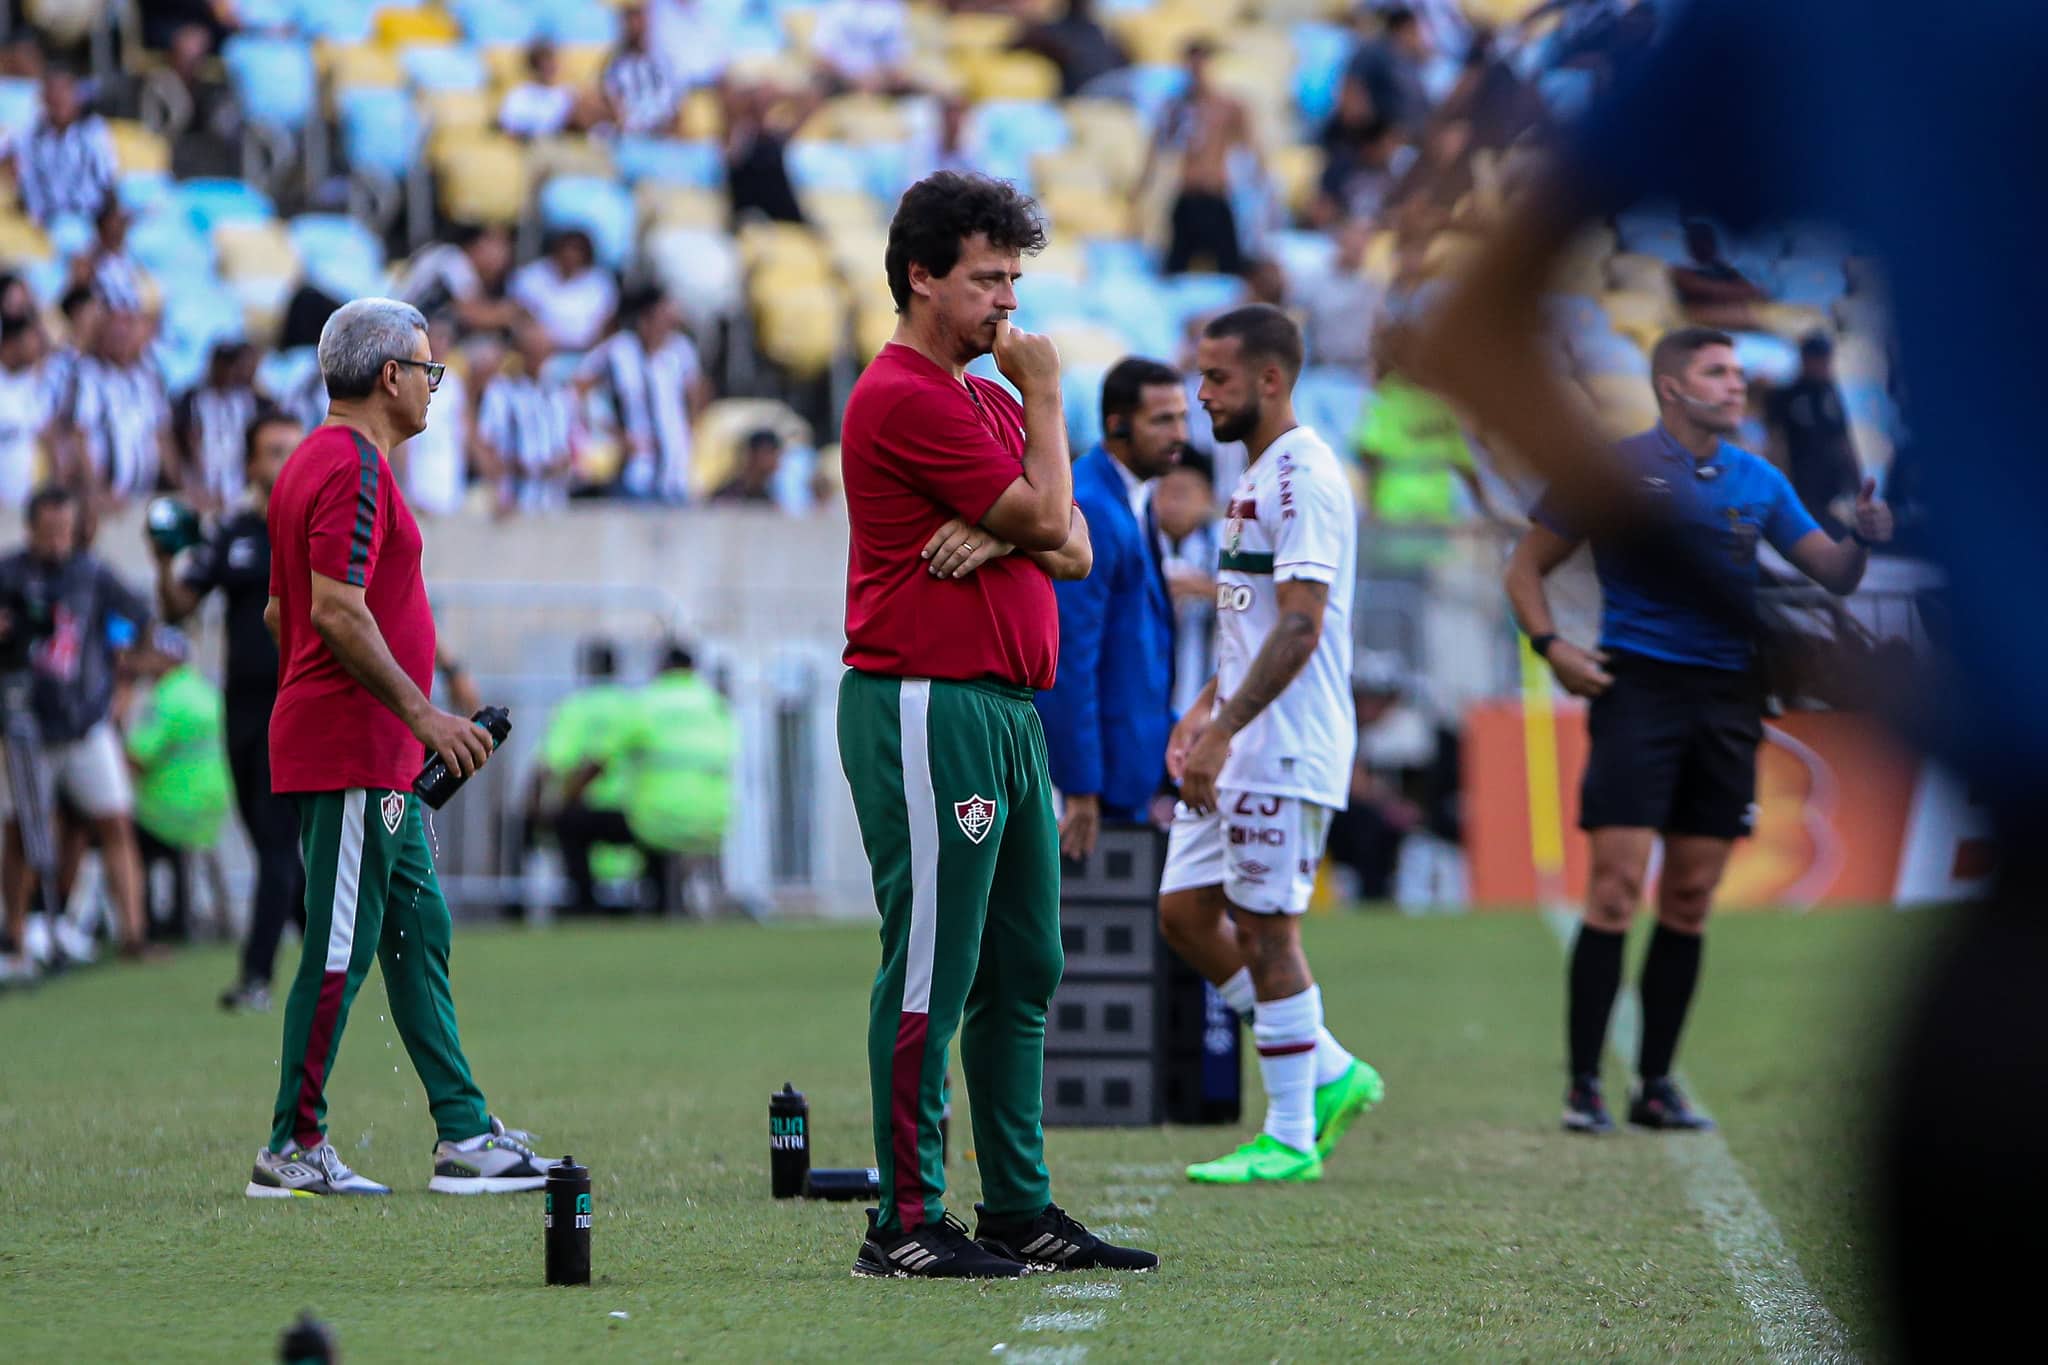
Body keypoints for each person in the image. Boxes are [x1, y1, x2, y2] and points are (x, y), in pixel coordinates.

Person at [837, 171, 1149, 1278]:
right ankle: (905, 1220)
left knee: (1025, 964)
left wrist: (1014, 531)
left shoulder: (982, 395)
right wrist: (1052, 406)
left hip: (1004, 709)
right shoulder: (910, 394)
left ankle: (1016, 1207)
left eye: (1014, 279)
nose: (1008, 306)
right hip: (930, 699)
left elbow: (1073, 545)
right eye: (986, 280)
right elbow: (1049, 517)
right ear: (920, 278)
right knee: (932, 961)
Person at [1500, 327, 1892, 1135]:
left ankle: (1654, 1084)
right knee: (1612, 890)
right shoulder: (1611, 471)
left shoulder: (1759, 478)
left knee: (1688, 897)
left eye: (1739, 372)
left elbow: (1834, 573)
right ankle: (1582, 1084)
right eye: (1718, 372)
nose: (1736, 385)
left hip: (1727, 699)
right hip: (1637, 689)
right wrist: (1554, 648)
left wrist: (1862, 536)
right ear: (1672, 388)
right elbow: (1524, 566)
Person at [247, 297, 553, 1199]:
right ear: (390, 376)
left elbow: (281, 613)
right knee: (339, 942)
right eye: (429, 371)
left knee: (421, 931)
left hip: (371, 748)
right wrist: (421, 715)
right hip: (358, 747)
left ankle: (463, 1133)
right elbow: (334, 610)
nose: (433, 388)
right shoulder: (353, 468)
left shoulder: (315, 460)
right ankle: (292, 1145)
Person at [1155, 305, 1382, 1185]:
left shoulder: (1305, 477)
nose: (1199, 394)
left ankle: (1290, 1133)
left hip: (1281, 746)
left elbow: (1299, 629)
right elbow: (1253, 621)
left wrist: (1225, 728)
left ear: (1271, 379)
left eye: (1215, 378)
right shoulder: (1256, 474)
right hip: (1241, 734)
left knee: (1266, 927)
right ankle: (1325, 1065)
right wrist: (1206, 702)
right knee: (1183, 912)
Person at [156, 406, 308, 1012]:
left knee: (275, 840)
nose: (287, 460)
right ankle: (339, 953)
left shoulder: (314, 527)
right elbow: (178, 607)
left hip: (292, 705)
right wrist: (162, 558)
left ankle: (256, 977)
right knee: (266, 840)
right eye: (274, 450)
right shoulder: (236, 531)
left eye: (294, 449)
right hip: (239, 707)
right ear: (249, 462)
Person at [0, 485, 156, 973]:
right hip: (28, 727)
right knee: (24, 831)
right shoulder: (10, 573)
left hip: (85, 723)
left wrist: (121, 673)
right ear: (31, 529)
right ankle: (17, 938)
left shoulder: (92, 573)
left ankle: (134, 934)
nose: (58, 540)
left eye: (64, 530)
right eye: (49, 531)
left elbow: (137, 616)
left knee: (114, 821)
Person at [1034, 357, 1185, 860]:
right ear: (1118, 422)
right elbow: (1071, 656)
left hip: (1127, 771)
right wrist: (1080, 785)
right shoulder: (1094, 504)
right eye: (1162, 420)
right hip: (1098, 784)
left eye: (1183, 418)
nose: (1179, 434)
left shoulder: (1130, 498)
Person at [120, 623, 229, 943]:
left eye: (149, 653)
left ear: (166, 658)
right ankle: (181, 916)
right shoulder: (206, 692)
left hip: (168, 813)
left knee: (119, 840)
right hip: (212, 811)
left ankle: (145, 925)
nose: (142, 660)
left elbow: (137, 758)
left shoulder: (165, 697)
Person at [612, 641, 736, 915]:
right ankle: (683, 902)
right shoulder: (715, 703)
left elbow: (607, 755)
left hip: (657, 822)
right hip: (712, 819)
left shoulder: (648, 700)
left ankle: (590, 909)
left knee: (580, 822)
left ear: (662, 667)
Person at [536, 637, 644, 915]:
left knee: (566, 825)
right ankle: (650, 903)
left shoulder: (575, 706)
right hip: (633, 811)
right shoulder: (633, 706)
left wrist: (546, 803)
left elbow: (553, 762)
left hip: (588, 809)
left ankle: (584, 903)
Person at [576, 286, 708, 502]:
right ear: (644, 318)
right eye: (662, 316)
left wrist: (689, 430)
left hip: (675, 472)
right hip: (635, 473)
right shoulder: (618, 351)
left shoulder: (680, 350)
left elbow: (696, 392)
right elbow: (578, 388)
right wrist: (609, 432)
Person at [1141, 41, 1256, 277]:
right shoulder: (1175, 108)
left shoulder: (1229, 107)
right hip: (1188, 194)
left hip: (1216, 193)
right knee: (1176, 269)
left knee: (1230, 269)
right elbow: (1156, 149)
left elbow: (1249, 149)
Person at [66, 307, 176, 506]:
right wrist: (96, 489)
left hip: (145, 495)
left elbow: (161, 435)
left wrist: (179, 483)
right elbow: (78, 435)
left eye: (126, 334)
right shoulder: (88, 375)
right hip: (107, 500)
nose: (121, 341)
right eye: (114, 335)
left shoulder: (148, 376)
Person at [476, 317, 579, 515]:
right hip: (515, 500)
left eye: (542, 351)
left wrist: (561, 464)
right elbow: (486, 443)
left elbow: (570, 443)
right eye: (532, 351)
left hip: (553, 501)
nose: (538, 359)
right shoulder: (501, 392)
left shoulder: (559, 395)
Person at [1765, 331, 1860, 538]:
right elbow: (1776, 443)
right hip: (1802, 485)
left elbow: (1843, 439)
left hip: (1832, 486)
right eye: (1818, 359)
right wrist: (1781, 488)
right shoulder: (1785, 395)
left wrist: (1856, 482)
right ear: (1805, 358)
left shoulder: (1830, 392)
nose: (1823, 365)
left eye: (1826, 360)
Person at [0, 68, 116, 226]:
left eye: (65, 92)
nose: (59, 99)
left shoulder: (93, 130)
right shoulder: (27, 134)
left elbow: (106, 180)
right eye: (53, 93)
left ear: (77, 96)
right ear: (43, 98)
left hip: (92, 216)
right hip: (49, 219)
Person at [1153, 448, 1219, 717]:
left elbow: (1257, 599)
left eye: (1184, 492)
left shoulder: (1226, 543)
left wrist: (1205, 589)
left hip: (1207, 706)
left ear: (1208, 497)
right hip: (1150, 707)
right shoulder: (1140, 541)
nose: (1173, 503)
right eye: (1166, 490)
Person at [172, 340, 258, 509]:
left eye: (231, 365)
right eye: (222, 365)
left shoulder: (245, 400)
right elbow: (187, 440)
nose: (226, 371)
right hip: (201, 487)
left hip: (237, 485)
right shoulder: (194, 399)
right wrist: (190, 482)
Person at [1286, 221, 1384, 370]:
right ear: (1342, 239)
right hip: (1322, 367)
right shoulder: (1315, 278)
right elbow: (1295, 318)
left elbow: (1380, 327)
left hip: (1360, 369)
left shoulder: (1373, 283)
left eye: (1364, 238)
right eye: (1355, 237)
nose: (1359, 244)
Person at [393, 225, 521, 337]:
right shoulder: (453, 258)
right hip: (393, 325)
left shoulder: (459, 263)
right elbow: (471, 315)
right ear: (479, 243)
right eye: (497, 243)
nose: (503, 254)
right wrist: (511, 313)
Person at [509, 229, 617, 353]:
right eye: (568, 249)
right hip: (537, 353)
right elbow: (519, 317)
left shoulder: (601, 282)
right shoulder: (530, 276)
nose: (571, 255)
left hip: (586, 355)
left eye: (577, 250)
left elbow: (608, 325)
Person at [1341, 4, 1433, 135]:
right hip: (1381, 140)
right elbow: (1352, 91)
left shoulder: (1408, 58)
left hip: (1411, 137)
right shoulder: (1375, 51)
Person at [1011, 0, 1127, 99]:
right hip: (1086, 89)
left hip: (1115, 81)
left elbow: (1118, 58)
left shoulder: (1093, 28)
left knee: (1142, 77)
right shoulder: (1050, 30)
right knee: (1143, 81)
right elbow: (1015, 45)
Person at [1669, 220, 1766, 331]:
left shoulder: (1725, 269)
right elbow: (1703, 288)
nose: (1705, 246)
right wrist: (1735, 291)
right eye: (1700, 241)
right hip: (1698, 317)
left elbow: (1754, 292)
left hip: (1732, 317)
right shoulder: (1681, 272)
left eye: (1708, 241)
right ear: (1691, 244)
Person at [0, 305, 53, 510]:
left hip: (29, 505)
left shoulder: (30, 383)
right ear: (11, 344)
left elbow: (44, 434)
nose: (37, 347)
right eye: (30, 340)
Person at [498, 39, 604, 140]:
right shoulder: (520, 95)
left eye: (553, 61)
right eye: (545, 63)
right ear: (534, 65)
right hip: (540, 143)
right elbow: (511, 127)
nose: (552, 66)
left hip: (569, 138)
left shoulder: (566, 92)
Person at [604, 4, 681, 136]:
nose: (635, 25)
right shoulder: (615, 65)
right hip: (630, 135)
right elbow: (614, 104)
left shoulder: (663, 60)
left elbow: (674, 105)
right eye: (630, 19)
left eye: (639, 18)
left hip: (663, 135)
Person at [811, 0, 915, 95]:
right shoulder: (837, 6)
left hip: (882, 85)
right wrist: (855, 78)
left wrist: (883, 78)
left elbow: (898, 58)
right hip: (840, 82)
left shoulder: (893, 9)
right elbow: (821, 55)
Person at [709, 428, 784, 506]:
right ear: (753, 455)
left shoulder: (765, 495)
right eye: (770, 453)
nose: (776, 460)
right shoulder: (729, 496)